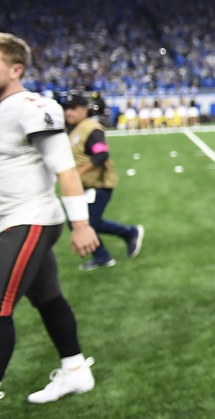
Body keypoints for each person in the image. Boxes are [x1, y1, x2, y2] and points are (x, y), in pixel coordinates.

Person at [0, 33, 101, 403]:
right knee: (47, 297)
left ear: (16, 69)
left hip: (30, 217)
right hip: (10, 218)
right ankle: (75, 370)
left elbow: (66, 170)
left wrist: (81, 224)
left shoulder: (31, 106)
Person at [62, 91, 145, 271]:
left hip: (98, 184)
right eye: (66, 109)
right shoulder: (71, 129)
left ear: (84, 109)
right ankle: (104, 253)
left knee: (88, 222)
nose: (69, 112)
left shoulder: (91, 128)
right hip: (83, 186)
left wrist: (78, 172)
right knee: (78, 221)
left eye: (73, 109)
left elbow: (101, 153)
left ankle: (126, 235)